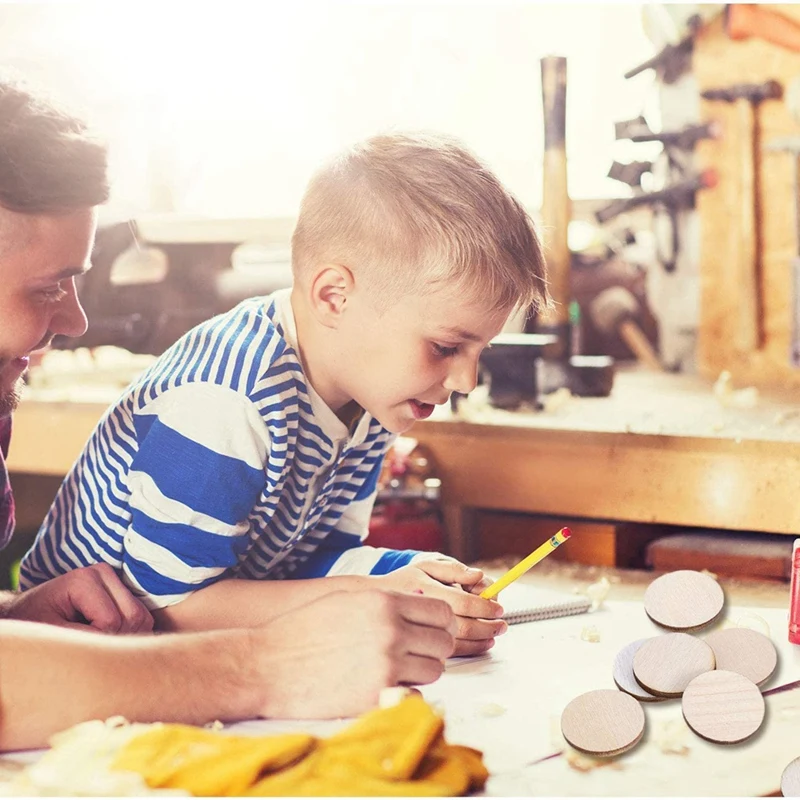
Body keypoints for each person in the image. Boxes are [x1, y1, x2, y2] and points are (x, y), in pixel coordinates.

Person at [0, 76, 457, 751]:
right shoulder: (232, 393)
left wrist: (21, 619)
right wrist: (269, 667)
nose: (75, 318)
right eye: (46, 288)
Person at [22, 131, 550, 655]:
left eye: (479, 351)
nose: (465, 381)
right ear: (334, 297)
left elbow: (306, 567)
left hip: (192, 634)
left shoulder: (371, 397)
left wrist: (409, 579)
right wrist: (371, 598)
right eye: (444, 347)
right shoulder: (228, 401)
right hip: (77, 646)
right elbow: (169, 607)